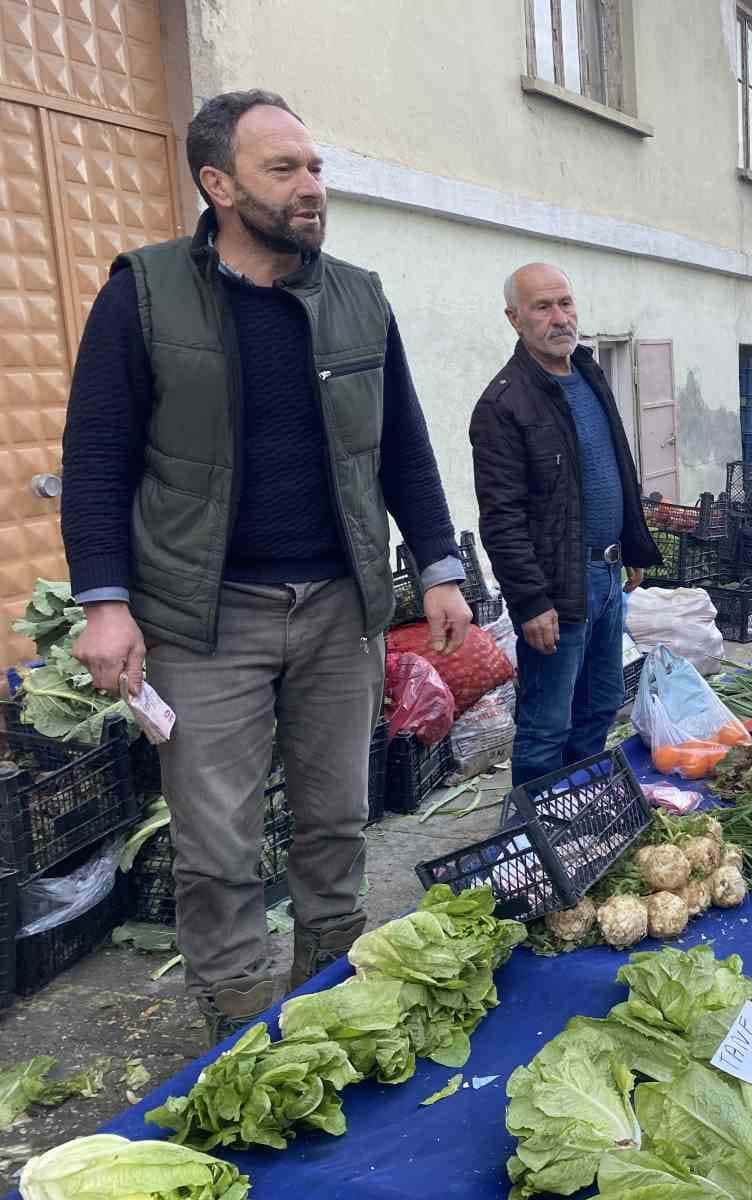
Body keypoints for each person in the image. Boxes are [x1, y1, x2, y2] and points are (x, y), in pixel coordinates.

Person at [59, 90, 472, 1040]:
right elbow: (97, 456)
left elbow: (402, 443)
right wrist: (105, 604)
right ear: (218, 183)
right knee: (217, 848)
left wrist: (441, 565)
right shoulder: (146, 291)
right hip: (206, 619)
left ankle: (330, 994)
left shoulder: (359, 296)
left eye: (315, 168)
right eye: (283, 171)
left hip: (338, 609)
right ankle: (241, 1025)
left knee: (336, 821)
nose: (310, 188)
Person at [470, 265, 662, 789]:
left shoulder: (588, 373)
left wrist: (636, 543)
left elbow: (617, 464)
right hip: (559, 585)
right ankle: (533, 836)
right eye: (543, 307)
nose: (560, 318)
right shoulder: (504, 404)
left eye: (566, 303)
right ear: (514, 318)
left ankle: (576, 807)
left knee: (600, 704)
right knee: (547, 723)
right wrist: (531, 601)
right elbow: (501, 516)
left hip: (608, 574)